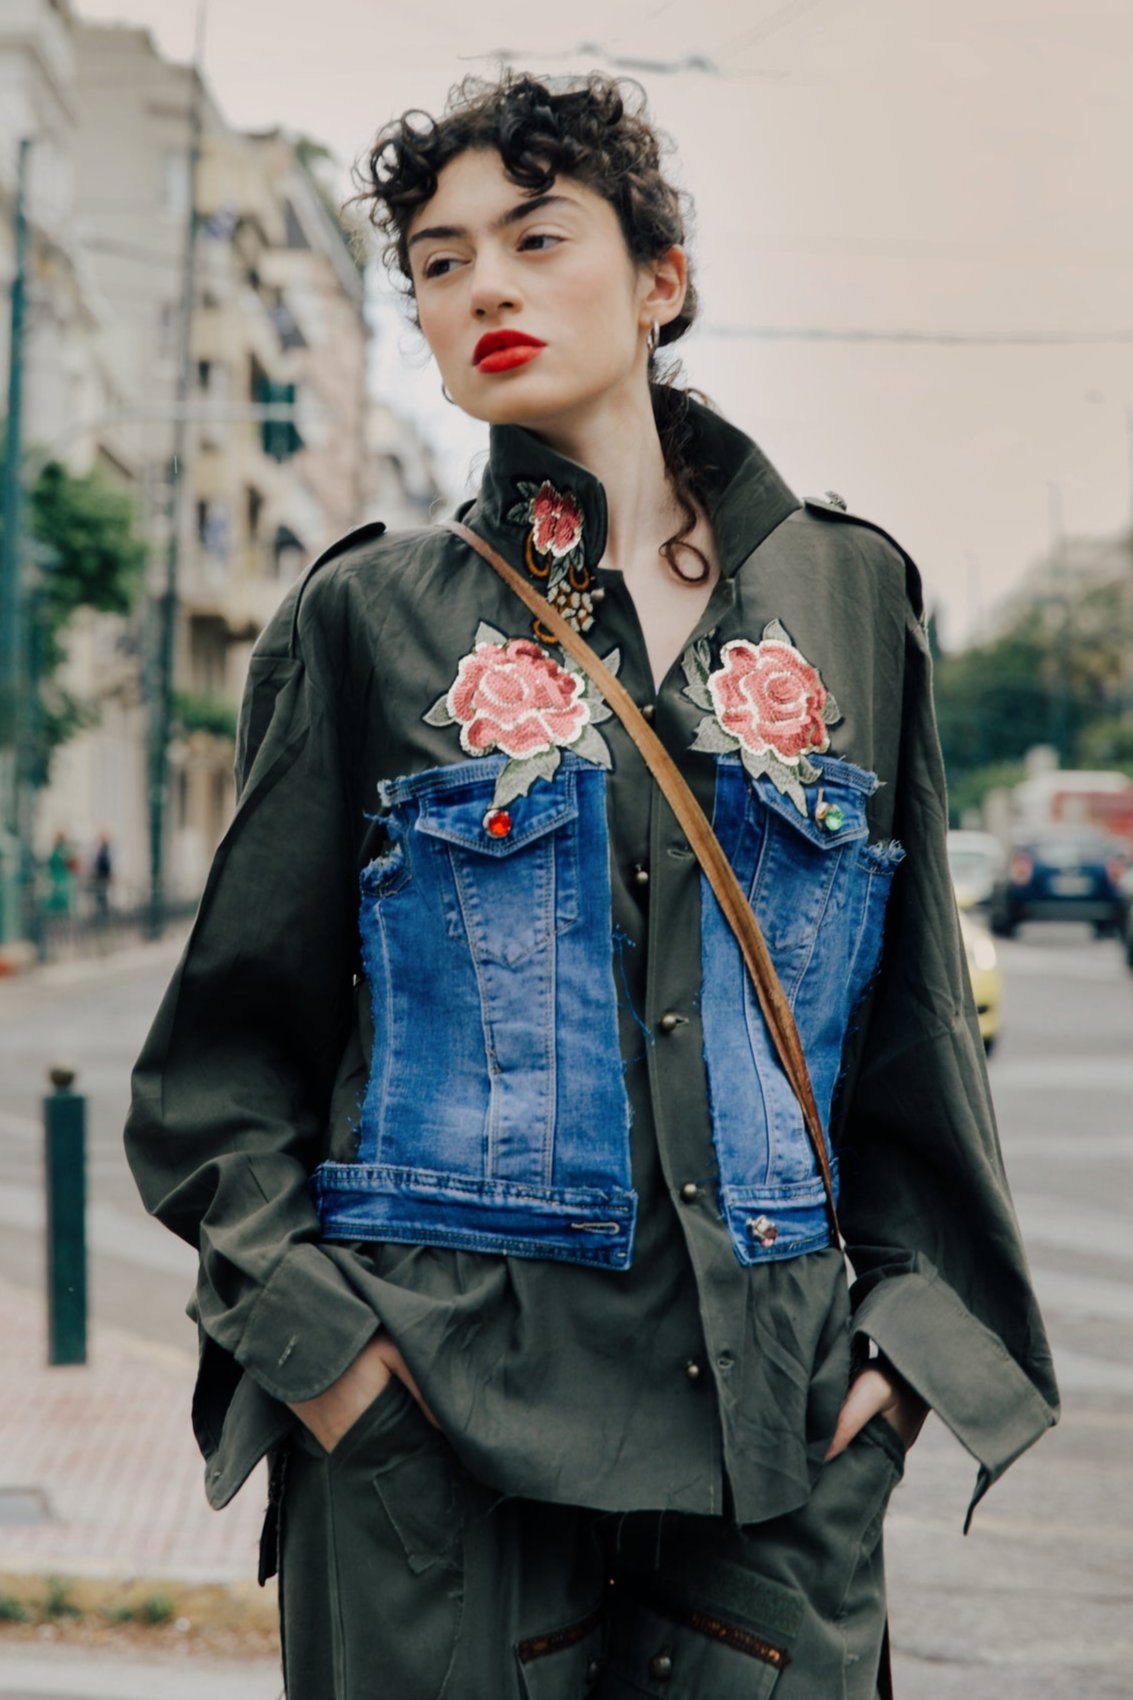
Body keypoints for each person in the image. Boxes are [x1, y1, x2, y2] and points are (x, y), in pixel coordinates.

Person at [125, 72, 1058, 1699]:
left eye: (535, 238)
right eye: (436, 259)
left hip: (769, 1453)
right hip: (437, 1445)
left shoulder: (847, 599)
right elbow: (214, 1085)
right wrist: (336, 1376)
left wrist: (898, 1380)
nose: (482, 283)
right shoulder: (372, 622)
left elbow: (916, 1060)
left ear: (657, 280)